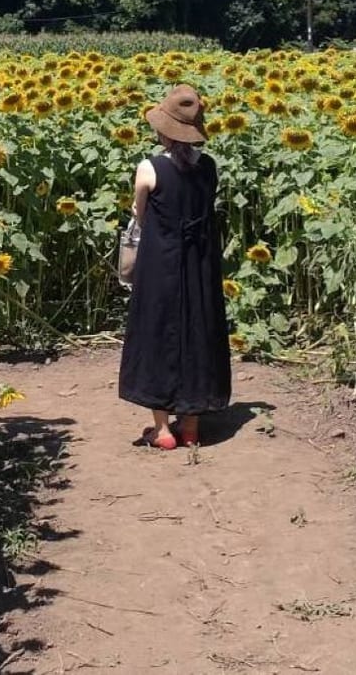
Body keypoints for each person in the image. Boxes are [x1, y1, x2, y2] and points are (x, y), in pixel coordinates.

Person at [118, 84, 231, 450]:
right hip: (199, 262)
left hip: (160, 262)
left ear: (163, 129)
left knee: (157, 331)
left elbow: (141, 213)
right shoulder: (210, 168)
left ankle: (163, 431)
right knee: (198, 330)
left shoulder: (149, 168)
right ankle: (192, 425)